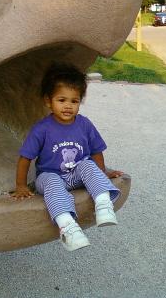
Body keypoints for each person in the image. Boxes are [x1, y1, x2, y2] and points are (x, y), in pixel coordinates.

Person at [11, 62, 123, 251]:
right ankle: (68, 227)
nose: (68, 106)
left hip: (75, 175)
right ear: (48, 101)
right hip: (49, 176)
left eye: (74, 101)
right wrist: (21, 185)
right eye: (61, 100)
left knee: (87, 165)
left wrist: (102, 173)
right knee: (52, 182)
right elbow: (25, 158)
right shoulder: (42, 129)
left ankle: (103, 205)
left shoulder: (84, 124)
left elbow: (96, 151)